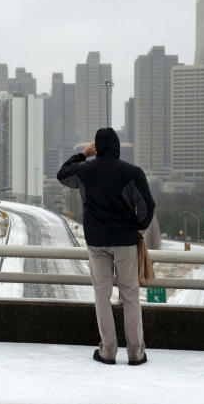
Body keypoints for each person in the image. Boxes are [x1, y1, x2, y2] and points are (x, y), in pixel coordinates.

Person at [57, 127, 155, 365]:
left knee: (102, 295)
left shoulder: (85, 171)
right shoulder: (132, 172)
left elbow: (62, 175)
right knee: (130, 296)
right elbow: (147, 207)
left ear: (97, 148)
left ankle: (108, 351)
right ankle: (135, 353)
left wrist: (82, 155)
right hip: (125, 241)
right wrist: (136, 227)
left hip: (97, 242)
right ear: (118, 147)